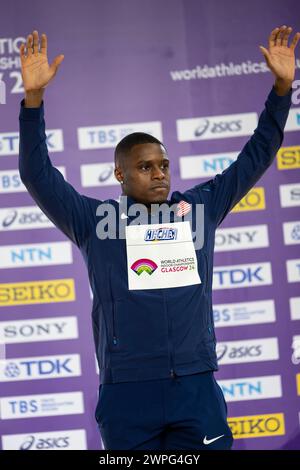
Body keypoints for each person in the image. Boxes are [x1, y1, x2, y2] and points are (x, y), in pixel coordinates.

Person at [18, 26, 298, 450]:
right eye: (146, 166)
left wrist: (281, 89)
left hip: (194, 387)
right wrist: (33, 102)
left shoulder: (197, 209)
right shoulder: (95, 220)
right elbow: (37, 175)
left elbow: (256, 154)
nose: (159, 173)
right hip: (128, 390)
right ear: (120, 174)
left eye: (164, 165)